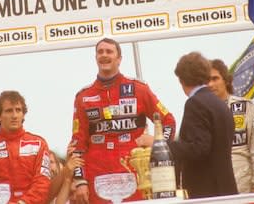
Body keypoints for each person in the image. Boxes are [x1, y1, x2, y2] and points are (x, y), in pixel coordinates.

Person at [71, 38, 176, 203]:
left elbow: (168, 121)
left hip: (134, 175)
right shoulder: (83, 97)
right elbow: (78, 145)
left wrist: (157, 143)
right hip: (98, 179)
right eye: (100, 52)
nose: (104, 55)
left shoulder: (139, 89)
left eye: (109, 51)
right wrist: (80, 181)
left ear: (119, 58)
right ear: (95, 57)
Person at [169, 52, 237, 199]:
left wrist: (162, 145)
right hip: (226, 188)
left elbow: (198, 148)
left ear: (181, 79)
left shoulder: (195, 104)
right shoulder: (220, 103)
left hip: (206, 191)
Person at [208, 59, 254, 193]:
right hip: (213, 190)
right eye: (206, 80)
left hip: (244, 188)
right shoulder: (200, 112)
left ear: (226, 80)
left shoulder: (247, 107)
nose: (210, 84)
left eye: (215, 79)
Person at [0, 90, 51, 204]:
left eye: (18, 110)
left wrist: (23, 202)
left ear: (23, 114)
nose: (14, 115)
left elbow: (42, 182)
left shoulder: (38, 143)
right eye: (9, 111)